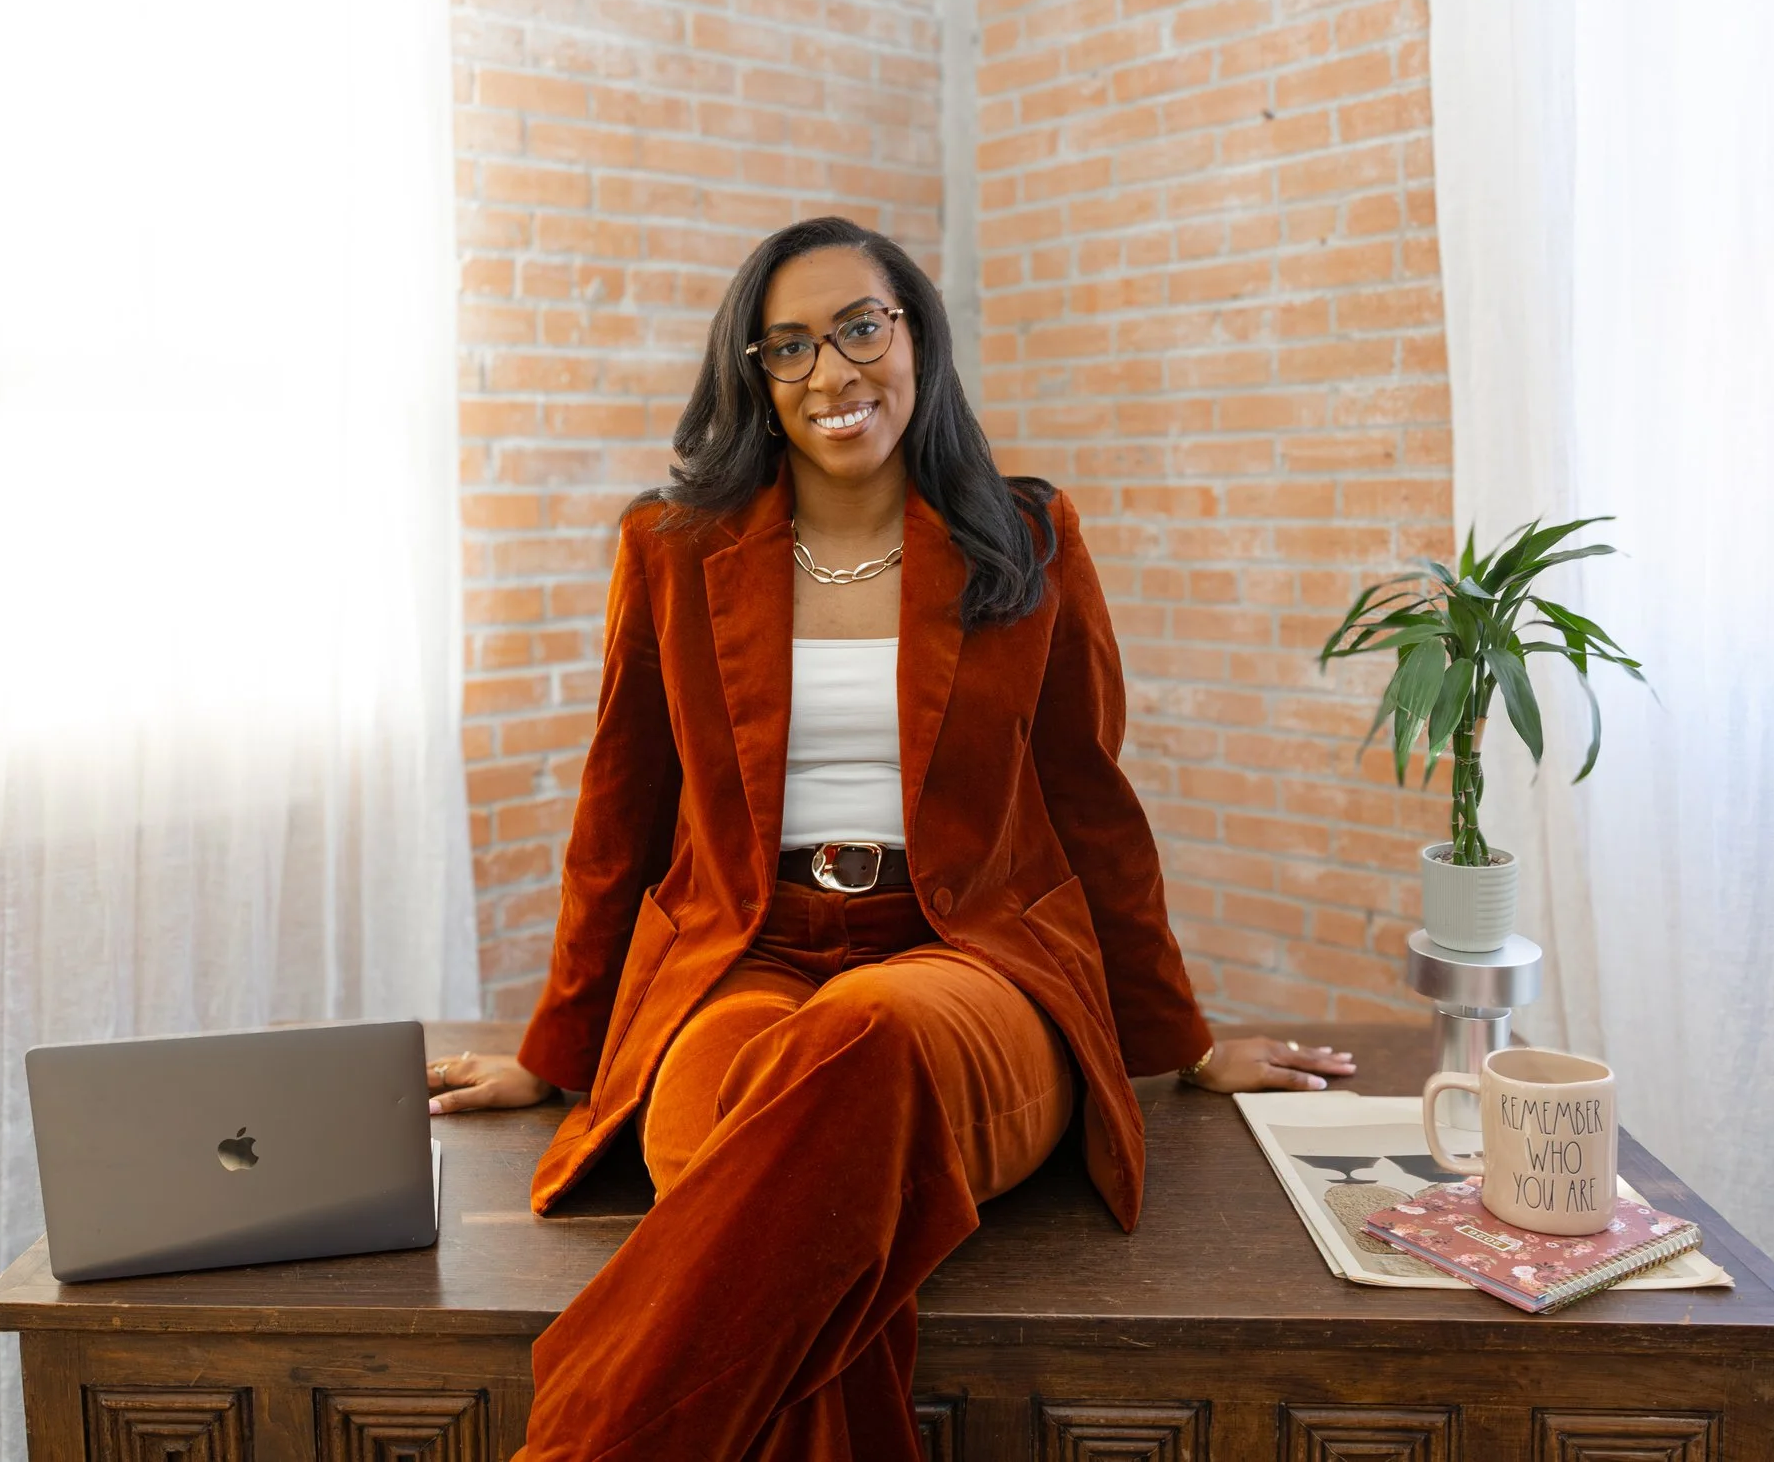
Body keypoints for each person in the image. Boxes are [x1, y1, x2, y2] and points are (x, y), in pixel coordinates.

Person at [427, 217, 1357, 1461]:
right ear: (752, 375)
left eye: (861, 326)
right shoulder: (672, 549)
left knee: (860, 1042)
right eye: (790, 346)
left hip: (963, 959)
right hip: (749, 955)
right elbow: (620, 814)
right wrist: (556, 1048)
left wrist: (1175, 1042)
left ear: (914, 331)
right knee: (726, 1138)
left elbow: (1090, 797)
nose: (832, 371)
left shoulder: (1025, 538)